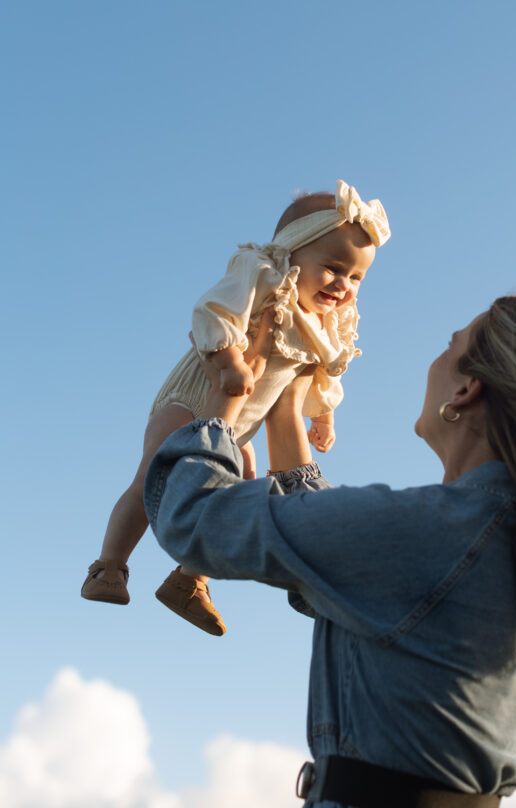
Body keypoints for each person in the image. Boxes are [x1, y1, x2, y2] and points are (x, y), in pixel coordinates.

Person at [143, 294, 516, 807]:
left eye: (450, 344)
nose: (433, 359)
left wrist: (221, 406)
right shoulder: (513, 534)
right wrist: (286, 413)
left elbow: (194, 520)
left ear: (465, 389)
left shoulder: (439, 531)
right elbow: (346, 566)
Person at [81, 179, 390, 637]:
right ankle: (109, 566)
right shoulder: (264, 282)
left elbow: (325, 373)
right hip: (193, 398)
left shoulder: (327, 324)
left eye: (355, 276)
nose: (343, 285)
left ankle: (190, 581)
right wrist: (227, 360)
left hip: (238, 425)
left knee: (238, 493)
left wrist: (322, 414)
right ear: (290, 253)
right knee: (153, 472)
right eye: (331, 268)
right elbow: (214, 312)